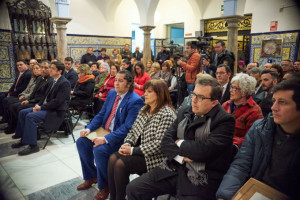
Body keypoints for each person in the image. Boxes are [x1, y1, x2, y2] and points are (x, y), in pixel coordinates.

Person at [126, 77, 235, 200]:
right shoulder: (186, 111)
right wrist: (181, 157)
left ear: (214, 102)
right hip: (173, 167)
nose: (194, 100)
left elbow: (204, 150)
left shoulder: (224, 121)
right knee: (134, 189)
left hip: (201, 176)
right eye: (194, 94)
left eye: (201, 97)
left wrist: (180, 142)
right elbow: (166, 141)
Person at [216, 78, 300, 200]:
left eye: (282, 102)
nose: (273, 108)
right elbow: (241, 165)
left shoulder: (254, 112)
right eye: (274, 101)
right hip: (256, 191)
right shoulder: (260, 129)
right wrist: (225, 195)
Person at [76, 70, 144, 200]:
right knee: (82, 142)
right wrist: (89, 128)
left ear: (129, 84)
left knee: (100, 150)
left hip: (119, 138)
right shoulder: (112, 93)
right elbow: (101, 114)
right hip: (104, 130)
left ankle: (105, 186)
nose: (116, 83)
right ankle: (91, 176)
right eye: (116, 80)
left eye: (120, 80)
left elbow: (128, 128)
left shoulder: (135, 101)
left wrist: (105, 139)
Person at [108, 79, 176, 200]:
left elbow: (159, 145)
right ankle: (114, 197)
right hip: (141, 151)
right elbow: (133, 131)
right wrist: (128, 143)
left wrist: (132, 150)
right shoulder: (145, 109)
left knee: (120, 164)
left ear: (160, 94)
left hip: (157, 158)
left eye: (149, 92)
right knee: (113, 158)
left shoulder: (167, 114)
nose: (145, 94)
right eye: (145, 91)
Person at [11, 61, 71, 155]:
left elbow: (57, 102)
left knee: (30, 116)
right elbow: (45, 97)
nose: (50, 70)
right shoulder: (53, 80)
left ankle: (33, 146)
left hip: (55, 111)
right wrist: (38, 105)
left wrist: (41, 107)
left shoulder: (64, 83)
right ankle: (24, 139)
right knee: (23, 112)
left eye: (52, 68)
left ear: (59, 71)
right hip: (47, 107)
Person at [8, 61, 53, 136]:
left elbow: (44, 97)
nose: (43, 69)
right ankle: (19, 129)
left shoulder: (50, 80)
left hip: (38, 102)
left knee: (19, 108)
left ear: (50, 69)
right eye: (42, 67)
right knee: (13, 105)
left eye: (46, 68)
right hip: (33, 100)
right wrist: (28, 100)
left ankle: (24, 131)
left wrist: (34, 103)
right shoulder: (40, 79)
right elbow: (33, 92)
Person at [222, 73, 263, 147]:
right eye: (231, 87)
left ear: (244, 92)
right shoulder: (226, 105)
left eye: (234, 88)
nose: (230, 90)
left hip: (237, 150)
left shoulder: (254, 111)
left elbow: (251, 139)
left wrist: (226, 141)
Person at [3, 63, 41, 133]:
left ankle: (16, 127)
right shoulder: (33, 78)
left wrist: (26, 97)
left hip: (31, 99)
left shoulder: (40, 79)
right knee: (9, 103)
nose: (35, 70)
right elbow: (27, 89)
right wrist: (22, 94)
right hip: (27, 96)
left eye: (37, 68)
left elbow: (33, 93)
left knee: (14, 106)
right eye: (34, 69)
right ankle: (11, 125)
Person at [0, 60, 32, 124]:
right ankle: (5, 117)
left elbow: (23, 88)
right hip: (14, 93)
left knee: (6, 100)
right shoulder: (19, 73)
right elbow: (14, 85)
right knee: (1, 96)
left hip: (19, 94)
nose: (19, 66)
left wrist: (11, 94)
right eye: (17, 65)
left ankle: (7, 120)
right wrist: (9, 93)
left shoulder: (28, 74)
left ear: (26, 65)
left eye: (21, 64)